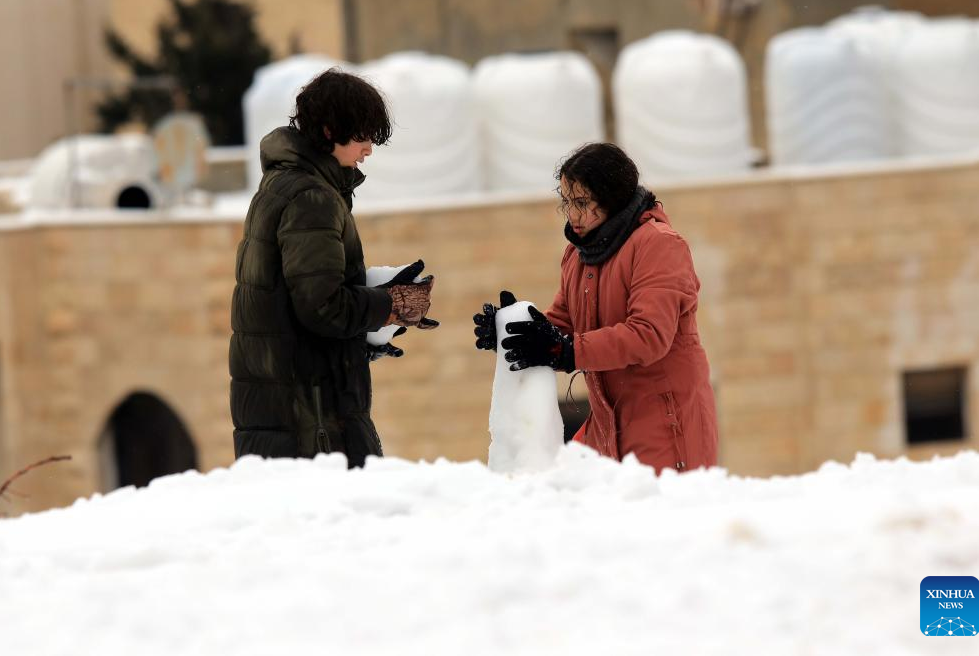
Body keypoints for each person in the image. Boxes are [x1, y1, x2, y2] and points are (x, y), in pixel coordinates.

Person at [230, 68, 436, 467]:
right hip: (310, 417)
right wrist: (390, 305)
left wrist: (368, 330)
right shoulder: (312, 197)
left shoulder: (280, 184)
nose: (369, 149)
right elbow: (321, 306)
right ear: (328, 132)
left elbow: (294, 306)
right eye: (361, 136)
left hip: (286, 410)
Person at [473, 143, 717, 473]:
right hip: (607, 424)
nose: (572, 214)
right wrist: (513, 331)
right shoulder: (579, 255)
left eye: (582, 202)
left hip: (667, 423)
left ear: (611, 198)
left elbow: (649, 335)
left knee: (660, 520)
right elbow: (562, 323)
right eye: (566, 201)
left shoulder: (658, 245)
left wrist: (565, 350)